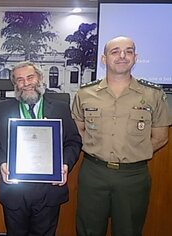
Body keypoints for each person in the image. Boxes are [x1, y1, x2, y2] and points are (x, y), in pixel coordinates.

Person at [72, 36, 171, 236]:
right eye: (115, 51)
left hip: (133, 176)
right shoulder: (84, 94)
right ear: (104, 59)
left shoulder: (153, 94)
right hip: (94, 173)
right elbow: (79, 130)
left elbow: (161, 137)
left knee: (129, 231)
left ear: (136, 57)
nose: (122, 56)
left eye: (129, 51)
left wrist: (134, 152)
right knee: (88, 230)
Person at [0, 61, 82, 236]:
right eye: (20, 80)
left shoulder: (60, 108)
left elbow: (73, 142)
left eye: (30, 77)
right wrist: (2, 164)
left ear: (40, 78)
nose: (26, 83)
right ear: (15, 85)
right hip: (14, 190)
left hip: (49, 191)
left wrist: (64, 165)